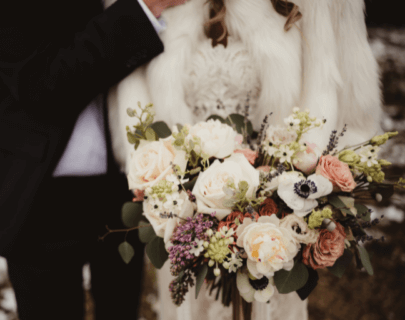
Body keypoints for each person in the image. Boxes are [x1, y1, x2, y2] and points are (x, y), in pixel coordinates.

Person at [108, 0, 381, 319]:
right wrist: (166, 192)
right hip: (183, 222)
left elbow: (336, 95)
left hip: (277, 224)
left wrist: (294, 198)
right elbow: (131, 90)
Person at [0, 0, 187, 319]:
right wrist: (142, 11)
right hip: (38, 194)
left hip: (122, 188)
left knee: (121, 310)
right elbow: (41, 83)